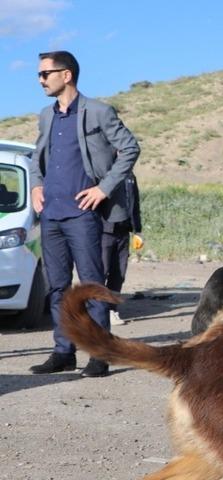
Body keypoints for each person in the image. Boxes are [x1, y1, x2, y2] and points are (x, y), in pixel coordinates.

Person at [28, 51, 140, 378]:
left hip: (84, 215)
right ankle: (63, 351)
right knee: (58, 287)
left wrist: (103, 189)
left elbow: (130, 148)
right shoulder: (46, 116)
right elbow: (37, 159)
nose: (40, 80)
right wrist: (36, 187)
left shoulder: (100, 112)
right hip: (51, 215)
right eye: (39, 74)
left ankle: (100, 354)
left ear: (67, 75)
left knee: (91, 285)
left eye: (45, 73)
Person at [102, 174, 143, 326]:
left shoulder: (130, 176)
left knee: (119, 273)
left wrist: (138, 230)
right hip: (104, 231)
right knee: (101, 271)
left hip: (124, 232)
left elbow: (135, 202)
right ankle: (97, 310)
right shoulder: (105, 172)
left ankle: (112, 310)